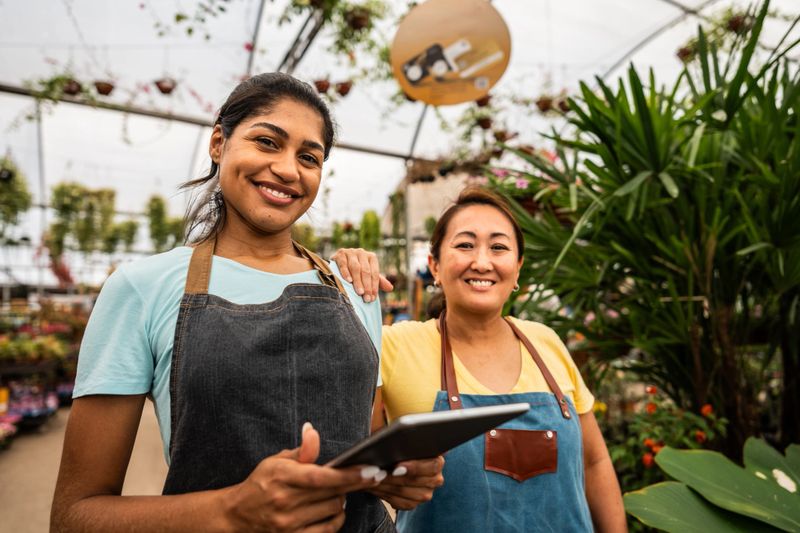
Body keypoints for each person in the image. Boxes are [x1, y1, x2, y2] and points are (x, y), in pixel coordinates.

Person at [51, 72, 443, 533]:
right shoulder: (142, 288)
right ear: (219, 143)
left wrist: (389, 473)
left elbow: (359, 441)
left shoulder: (354, 287)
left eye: (309, 157)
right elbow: (75, 516)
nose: (288, 169)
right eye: (267, 142)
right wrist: (231, 510)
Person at [333, 188, 626, 532]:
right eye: (465, 245)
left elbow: (595, 461)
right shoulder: (396, 345)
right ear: (435, 266)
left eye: (499, 247)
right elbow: (354, 460)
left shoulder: (545, 342)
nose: (482, 262)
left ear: (518, 269)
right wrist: (340, 277)